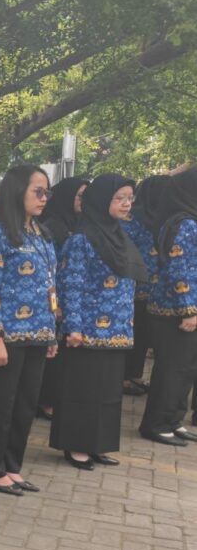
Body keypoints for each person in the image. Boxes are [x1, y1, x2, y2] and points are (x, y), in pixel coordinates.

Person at [0, 164, 58, 495]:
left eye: (47, 192)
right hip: (7, 335)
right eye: (38, 191)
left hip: (38, 333)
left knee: (24, 405)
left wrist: (51, 332)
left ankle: (11, 465)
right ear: (17, 191)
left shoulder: (41, 234)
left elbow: (50, 287)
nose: (44, 198)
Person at [50, 175, 146, 468]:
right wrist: (73, 327)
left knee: (107, 393)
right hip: (87, 331)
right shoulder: (81, 240)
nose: (126, 204)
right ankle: (76, 445)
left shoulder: (121, 237)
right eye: (120, 198)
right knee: (83, 391)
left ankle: (97, 444)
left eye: (129, 198)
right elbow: (71, 285)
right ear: (102, 200)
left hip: (116, 331)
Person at [139, 169, 197, 445]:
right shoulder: (183, 224)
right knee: (172, 369)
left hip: (187, 309)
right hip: (175, 311)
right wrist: (189, 310)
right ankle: (157, 424)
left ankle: (174, 420)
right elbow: (178, 268)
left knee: (186, 369)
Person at [36, 176, 89, 420]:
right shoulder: (54, 225)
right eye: (79, 196)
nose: (82, 201)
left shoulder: (78, 223)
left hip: (68, 300)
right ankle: (45, 401)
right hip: (53, 301)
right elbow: (51, 269)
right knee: (51, 356)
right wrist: (55, 304)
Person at [122, 176, 164, 395]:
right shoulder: (133, 217)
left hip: (150, 288)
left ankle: (134, 375)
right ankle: (126, 377)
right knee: (136, 332)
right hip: (136, 286)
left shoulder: (154, 216)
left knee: (143, 334)